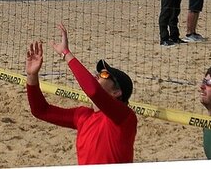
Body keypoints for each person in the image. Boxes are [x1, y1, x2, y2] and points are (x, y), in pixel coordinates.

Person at [25, 23, 137, 165]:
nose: (97, 75)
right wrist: (32, 76)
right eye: (98, 73)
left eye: (104, 74)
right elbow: (41, 111)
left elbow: (93, 91)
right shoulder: (83, 116)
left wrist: (66, 53)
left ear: (116, 92)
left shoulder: (125, 117)